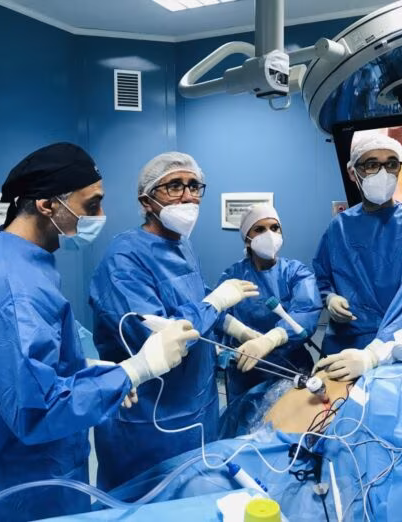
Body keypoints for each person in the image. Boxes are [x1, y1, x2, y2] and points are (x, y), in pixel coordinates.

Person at [0, 143, 197, 521]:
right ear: (47, 205)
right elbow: (38, 410)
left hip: (25, 464)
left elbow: (17, 364)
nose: (101, 216)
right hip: (21, 485)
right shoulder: (10, 287)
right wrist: (136, 369)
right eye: (91, 205)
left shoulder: (5, 256)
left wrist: (90, 372)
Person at [89, 151, 259, 491]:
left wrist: (237, 328)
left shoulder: (182, 245)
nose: (188, 196)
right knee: (146, 500)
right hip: (150, 416)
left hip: (196, 401)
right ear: (146, 200)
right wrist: (214, 303)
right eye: (174, 186)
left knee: (196, 492)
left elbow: (192, 297)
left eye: (194, 186)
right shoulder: (124, 258)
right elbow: (159, 338)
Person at [312, 131, 402, 380]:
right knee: (330, 404)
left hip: (397, 348)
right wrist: (330, 298)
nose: (383, 173)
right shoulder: (339, 227)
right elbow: (322, 276)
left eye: (391, 164)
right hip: (343, 343)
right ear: (353, 173)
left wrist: (373, 355)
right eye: (372, 164)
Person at [217, 204, 322, 402]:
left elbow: (306, 311)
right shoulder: (233, 276)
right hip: (246, 372)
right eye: (259, 229)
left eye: (274, 228)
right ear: (247, 239)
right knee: (244, 419)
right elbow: (217, 315)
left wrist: (270, 339)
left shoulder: (296, 272)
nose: (269, 234)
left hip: (291, 369)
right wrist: (238, 336)